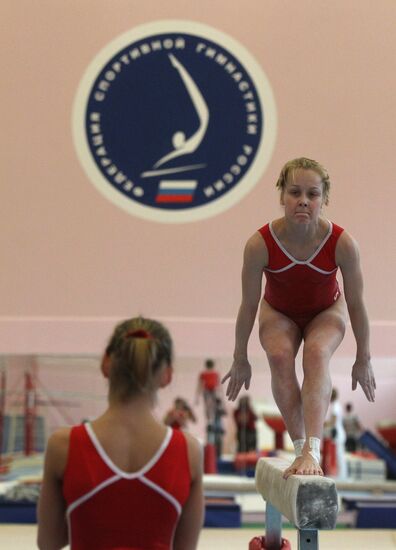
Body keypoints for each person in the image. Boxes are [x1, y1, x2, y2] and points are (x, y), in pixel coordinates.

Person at [222, 157, 376, 478]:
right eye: (294, 192)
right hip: (277, 311)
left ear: (324, 199)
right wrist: (240, 357)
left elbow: (358, 305)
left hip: (327, 310)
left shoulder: (343, 244)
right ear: (282, 197)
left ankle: (313, 450)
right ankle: (299, 447)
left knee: (317, 353)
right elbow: (248, 305)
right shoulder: (259, 244)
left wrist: (364, 357)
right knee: (279, 355)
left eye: (312, 194)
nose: (303, 201)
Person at [37, 317, 203, 550]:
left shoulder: (63, 445)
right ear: (167, 375)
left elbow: (49, 542)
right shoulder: (188, 451)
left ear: (106, 364)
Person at [324, 388, 347, 479]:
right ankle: (342, 474)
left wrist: (323, 423)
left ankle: (342, 476)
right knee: (338, 455)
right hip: (338, 432)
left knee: (339, 455)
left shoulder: (335, 406)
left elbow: (333, 422)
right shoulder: (336, 405)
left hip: (338, 433)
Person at [195, 358, 220, 423]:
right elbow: (200, 385)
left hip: (212, 390)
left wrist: (197, 397)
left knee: (210, 405)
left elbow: (199, 385)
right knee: (209, 405)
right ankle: (209, 419)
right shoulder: (205, 374)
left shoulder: (214, 373)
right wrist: (197, 397)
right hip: (208, 390)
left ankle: (210, 418)